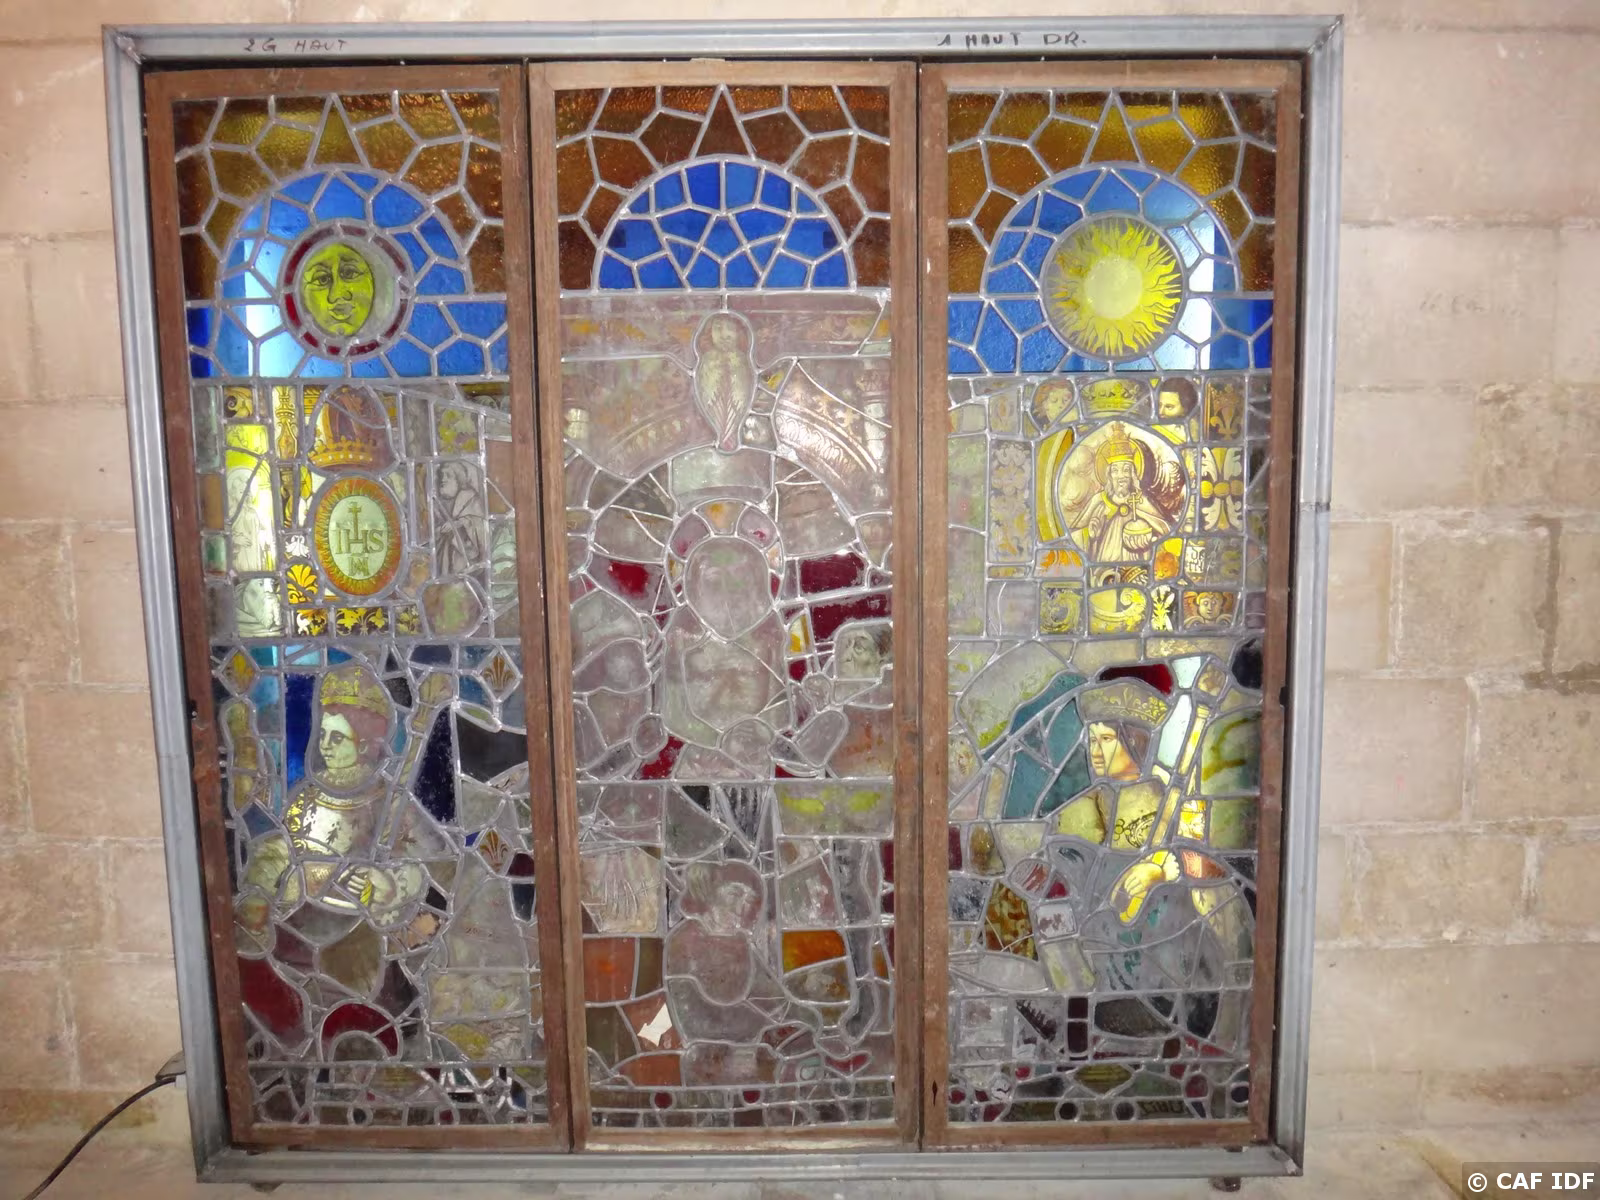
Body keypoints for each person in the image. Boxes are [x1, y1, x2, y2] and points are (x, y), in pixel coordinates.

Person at [1068, 423, 1183, 563]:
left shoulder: (1143, 501)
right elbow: (1071, 539)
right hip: (1102, 567)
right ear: (1109, 475)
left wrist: (1148, 536)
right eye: (1115, 470)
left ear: (1133, 474)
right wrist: (1090, 534)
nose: (1121, 476)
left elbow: (1168, 533)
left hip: (1141, 567)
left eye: (1126, 470)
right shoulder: (1098, 501)